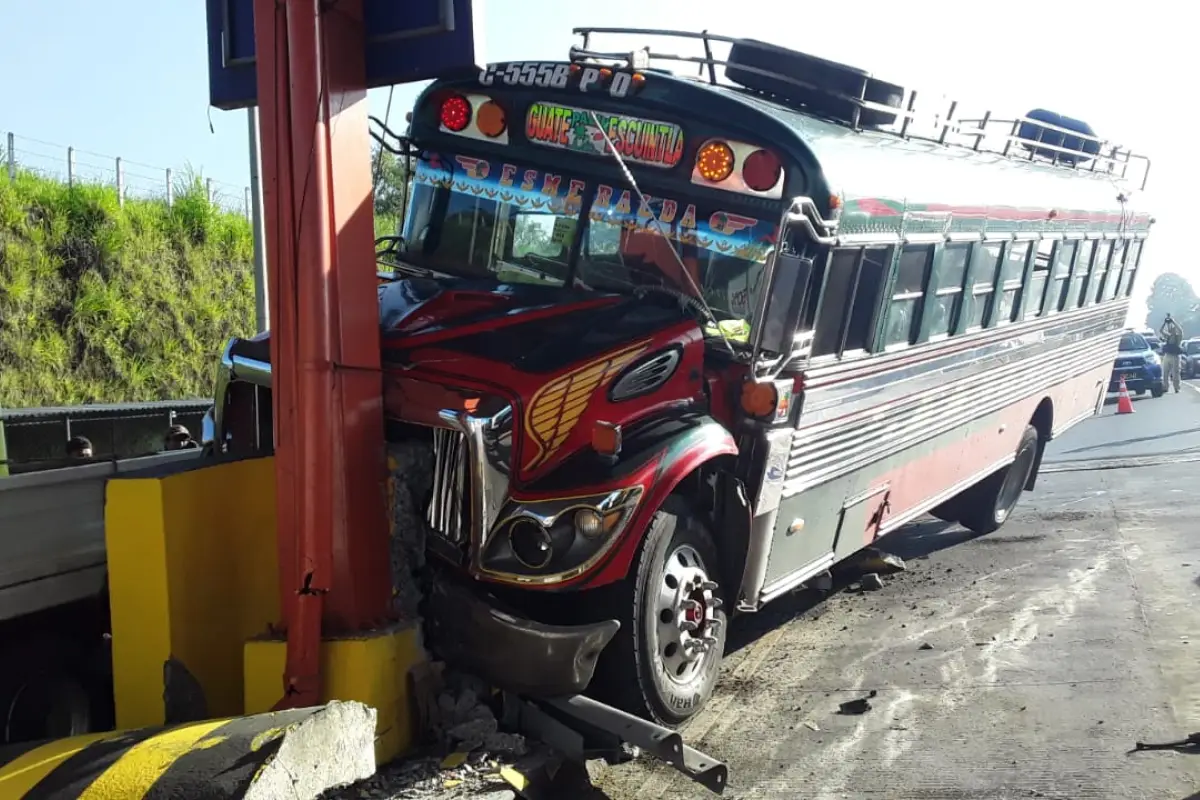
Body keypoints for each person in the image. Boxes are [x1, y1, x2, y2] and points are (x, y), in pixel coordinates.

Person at [1159, 314, 1184, 393]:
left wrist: (1173, 322)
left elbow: (1180, 330)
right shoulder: (1168, 336)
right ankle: (1165, 387)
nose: (1171, 331)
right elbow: (1161, 331)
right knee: (1165, 372)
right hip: (1167, 355)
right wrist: (1165, 323)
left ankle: (1177, 388)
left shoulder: (1178, 337)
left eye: (1172, 329)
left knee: (1175, 373)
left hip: (1175, 356)